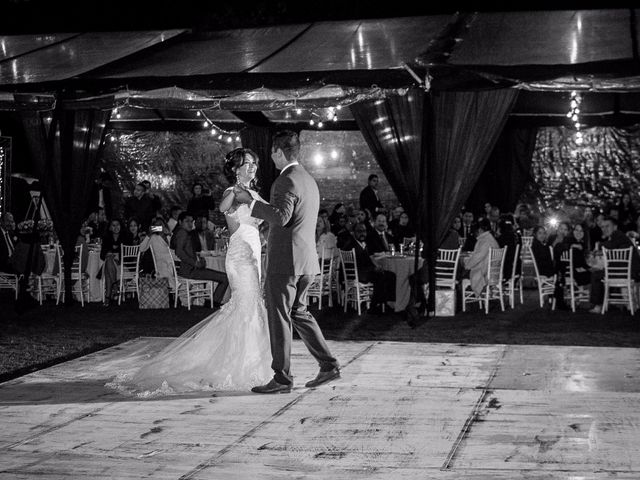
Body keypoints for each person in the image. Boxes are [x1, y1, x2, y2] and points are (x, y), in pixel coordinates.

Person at [105, 148, 271, 396]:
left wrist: (264, 236)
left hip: (254, 251)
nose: (252, 167)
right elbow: (225, 207)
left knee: (251, 306)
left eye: (254, 164)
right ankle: (239, 367)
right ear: (235, 169)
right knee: (246, 307)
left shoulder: (255, 193)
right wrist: (238, 193)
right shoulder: (232, 192)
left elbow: (269, 217)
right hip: (240, 255)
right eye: (246, 164)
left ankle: (251, 364)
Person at [235, 130, 340, 394]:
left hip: (286, 262)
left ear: (279, 152)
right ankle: (328, 365)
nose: (271, 157)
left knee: (279, 316)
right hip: (306, 262)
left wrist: (251, 202)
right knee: (299, 312)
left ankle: (282, 379)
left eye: (272, 153)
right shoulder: (308, 179)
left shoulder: (286, 181)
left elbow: (281, 217)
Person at [172, 212, 229, 304]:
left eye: (191, 221)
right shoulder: (182, 233)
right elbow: (179, 252)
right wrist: (195, 263)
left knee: (222, 276)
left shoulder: (181, 233)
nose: (190, 224)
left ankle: (213, 301)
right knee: (225, 278)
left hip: (188, 269)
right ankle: (214, 302)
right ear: (180, 222)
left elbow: (186, 252)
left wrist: (198, 259)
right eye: (187, 221)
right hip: (190, 271)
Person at [588, 216, 640, 313]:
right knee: (601, 272)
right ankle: (605, 303)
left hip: (628, 272)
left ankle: (598, 305)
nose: (604, 229)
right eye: (602, 227)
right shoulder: (618, 237)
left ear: (615, 227)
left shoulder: (618, 235)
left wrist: (598, 246)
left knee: (596, 275)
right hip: (626, 271)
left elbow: (610, 245)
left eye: (607, 226)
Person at [342, 222, 396, 311]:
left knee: (390, 275)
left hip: (364, 271)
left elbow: (366, 260)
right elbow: (358, 264)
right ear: (353, 232)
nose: (362, 233)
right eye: (359, 231)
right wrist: (374, 268)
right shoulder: (351, 245)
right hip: (357, 274)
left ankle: (385, 302)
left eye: (364, 231)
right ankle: (376, 305)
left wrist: (375, 267)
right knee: (382, 276)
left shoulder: (362, 244)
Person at [463, 218, 499, 296]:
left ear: (479, 230)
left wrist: (466, 263)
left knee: (460, 273)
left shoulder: (484, 240)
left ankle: (459, 301)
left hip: (484, 272)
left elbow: (477, 257)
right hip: (492, 272)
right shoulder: (491, 238)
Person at [100, 219, 131, 305]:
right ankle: (115, 286)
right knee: (109, 260)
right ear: (110, 227)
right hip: (112, 265)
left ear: (121, 226)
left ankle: (108, 296)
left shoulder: (126, 236)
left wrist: (118, 258)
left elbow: (128, 255)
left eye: (117, 225)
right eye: (113, 225)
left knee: (107, 267)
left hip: (124, 265)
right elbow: (102, 255)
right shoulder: (106, 238)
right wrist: (108, 254)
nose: (116, 227)